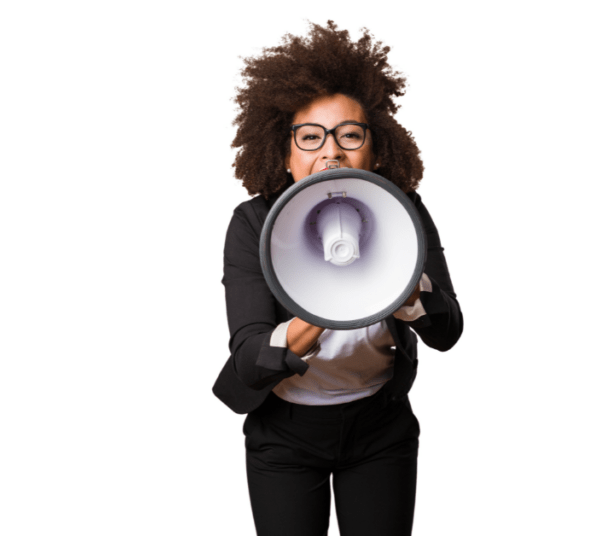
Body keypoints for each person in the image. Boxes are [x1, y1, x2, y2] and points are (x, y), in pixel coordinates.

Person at [212, 21, 463, 536]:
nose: (331, 151)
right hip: (284, 436)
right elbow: (249, 359)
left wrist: (406, 289)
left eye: (350, 134)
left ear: (376, 148)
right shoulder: (252, 224)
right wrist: (325, 297)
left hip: (380, 429)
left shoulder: (404, 213)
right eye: (310, 137)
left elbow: (448, 332)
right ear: (284, 154)